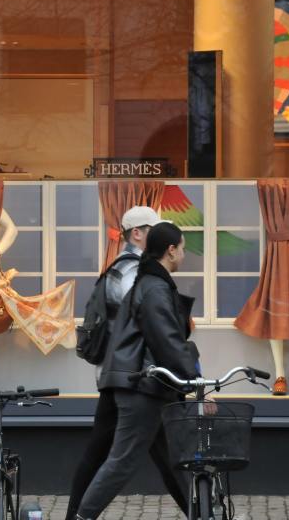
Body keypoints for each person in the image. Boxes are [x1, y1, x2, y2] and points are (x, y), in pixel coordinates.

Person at [64, 207, 189, 520]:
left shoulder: (129, 269)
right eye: (152, 230)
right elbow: (150, 321)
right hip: (135, 377)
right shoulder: (133, 271)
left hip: (130, 376)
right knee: (117, 459)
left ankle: (203, 513)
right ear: (137, 233)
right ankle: (78, 516)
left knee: (165, 457)